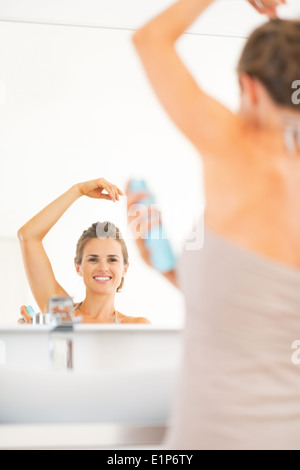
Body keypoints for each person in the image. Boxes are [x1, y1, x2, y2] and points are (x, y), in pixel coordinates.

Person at [132, 0, 300, 449]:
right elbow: (265, 317)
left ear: (250, 87)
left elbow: (150, 39)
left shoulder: (234, 146)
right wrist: (169, 270)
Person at [17, 177, 150, 324]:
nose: (103, 268)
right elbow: (28, 236)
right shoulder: (61, 315)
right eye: (93, 259)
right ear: (78, 267)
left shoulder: (136, 326)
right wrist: (78, 190)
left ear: (125, 268)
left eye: (112, 259)